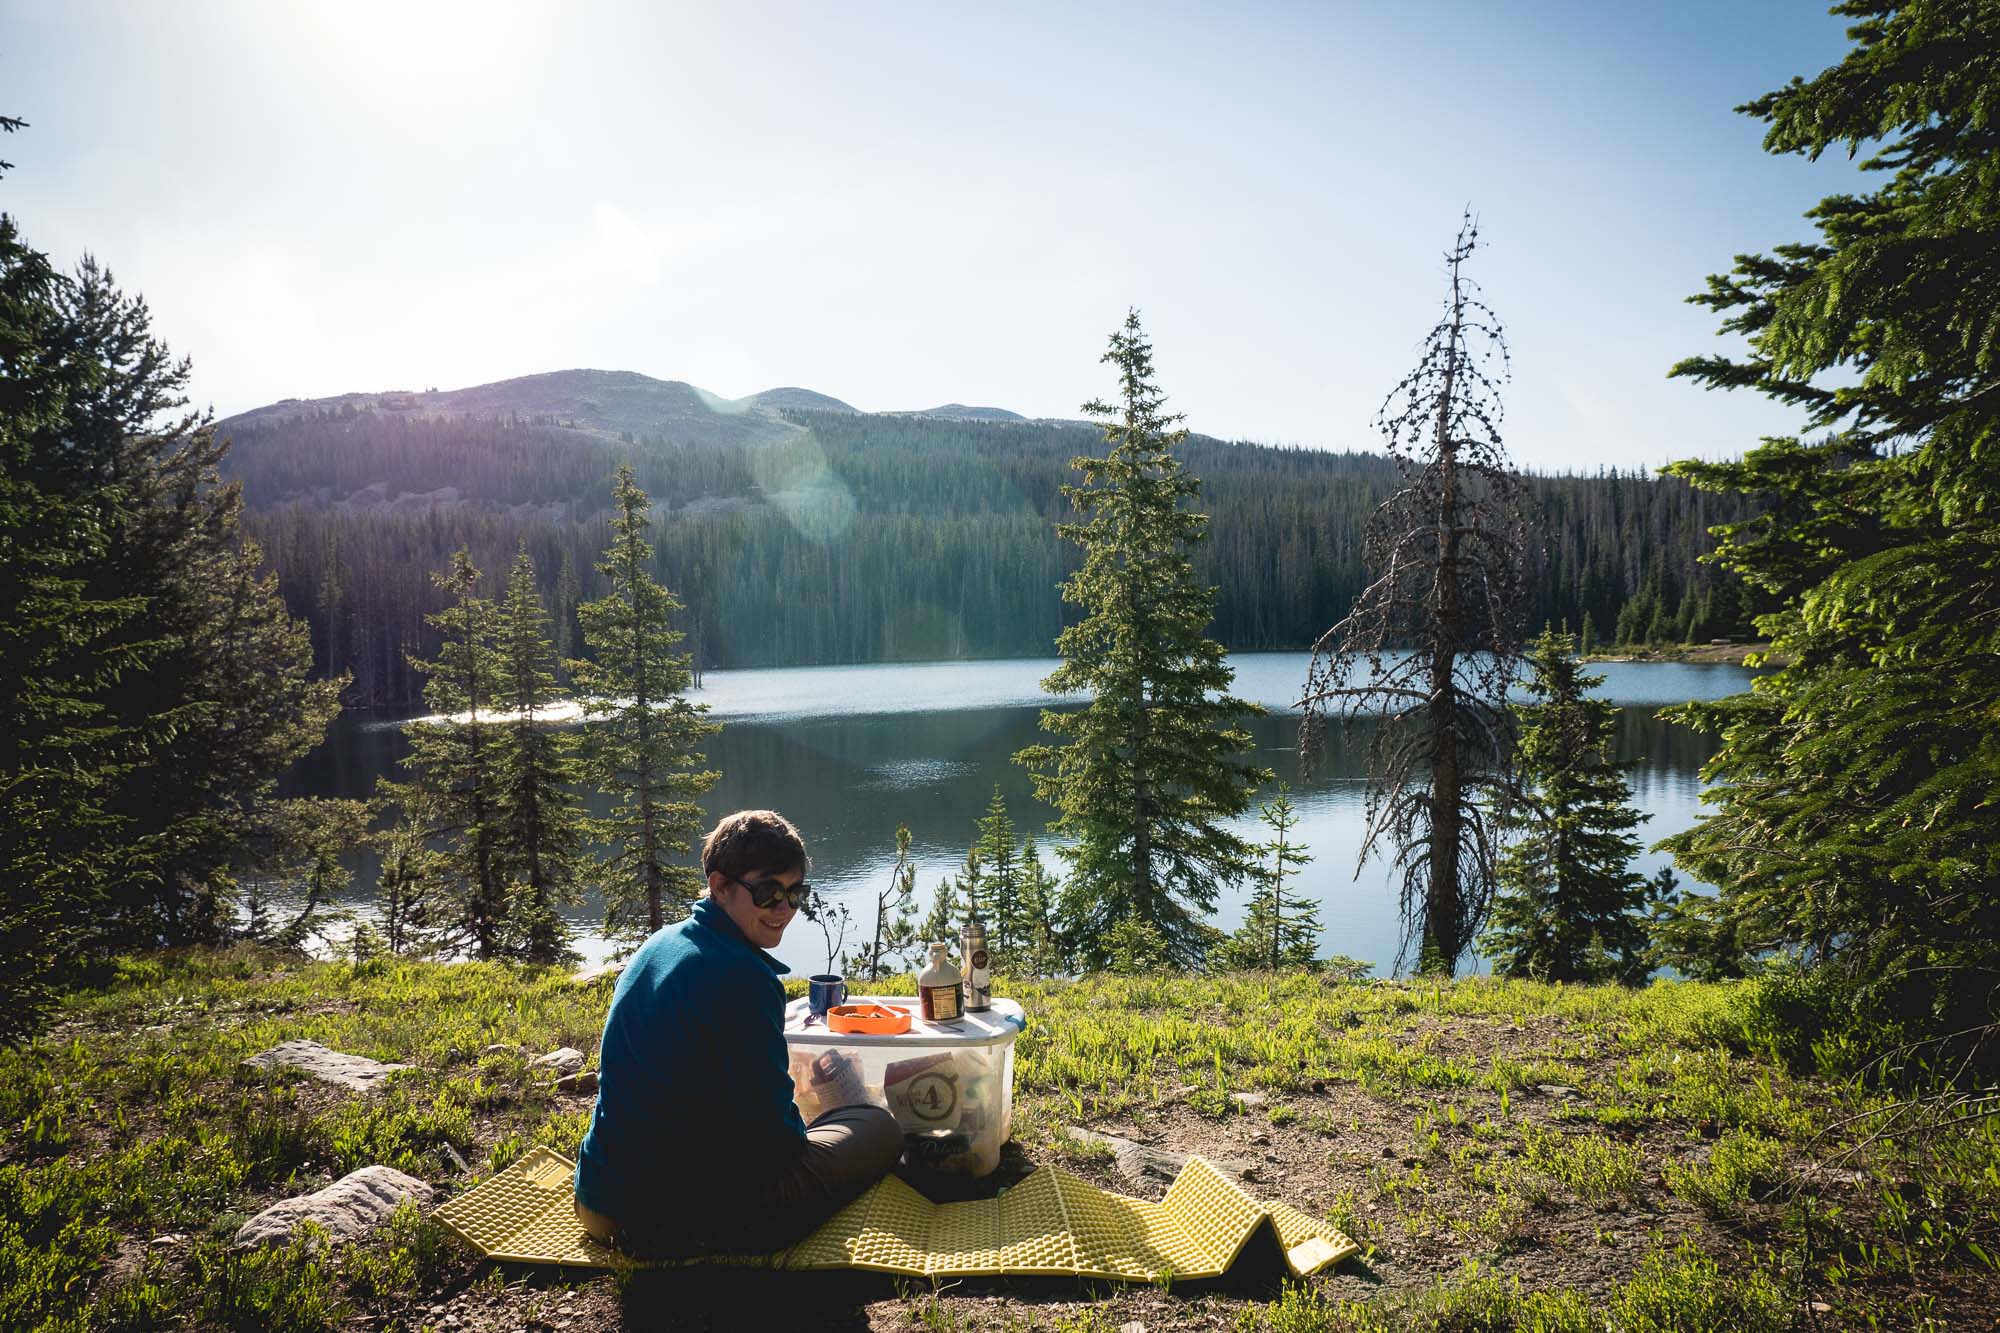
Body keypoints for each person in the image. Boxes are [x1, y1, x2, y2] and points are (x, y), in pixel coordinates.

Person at [572, 809, 902, 1256]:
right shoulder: (742, 977)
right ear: (720, 886)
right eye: (767, 891)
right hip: (679, 1221)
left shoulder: (660, 945)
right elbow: (775, 1145)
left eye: (793, 892)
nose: (783, 908)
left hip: (598, 1199)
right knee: (877, 1125)